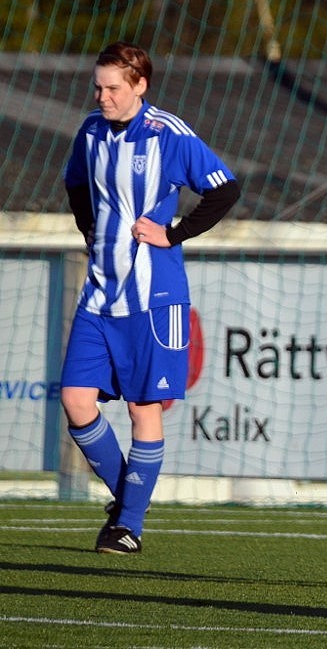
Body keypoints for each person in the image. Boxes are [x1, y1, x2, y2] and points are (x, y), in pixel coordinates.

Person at [61, 41, 240, 554]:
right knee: (75, 401)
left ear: (140, 85)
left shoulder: (167, 133)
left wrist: (173, 233)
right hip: (100, 293)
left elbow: (225, 189)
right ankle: (129, 501)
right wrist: (91, 231)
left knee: (144, 409)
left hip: (153, 297)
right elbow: (76, 184)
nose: (103, 96)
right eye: (98, 87)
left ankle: (128, 527)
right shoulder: (91, 131)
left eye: (113, 88)